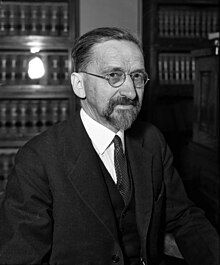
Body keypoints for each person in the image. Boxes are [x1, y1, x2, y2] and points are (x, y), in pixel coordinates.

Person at [0, 27, 219, 265]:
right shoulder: (38, 158)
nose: (130, 92)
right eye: (114, 75)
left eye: (137, 76)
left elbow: (184, 217)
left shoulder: (152, 140)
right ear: (79, 85)